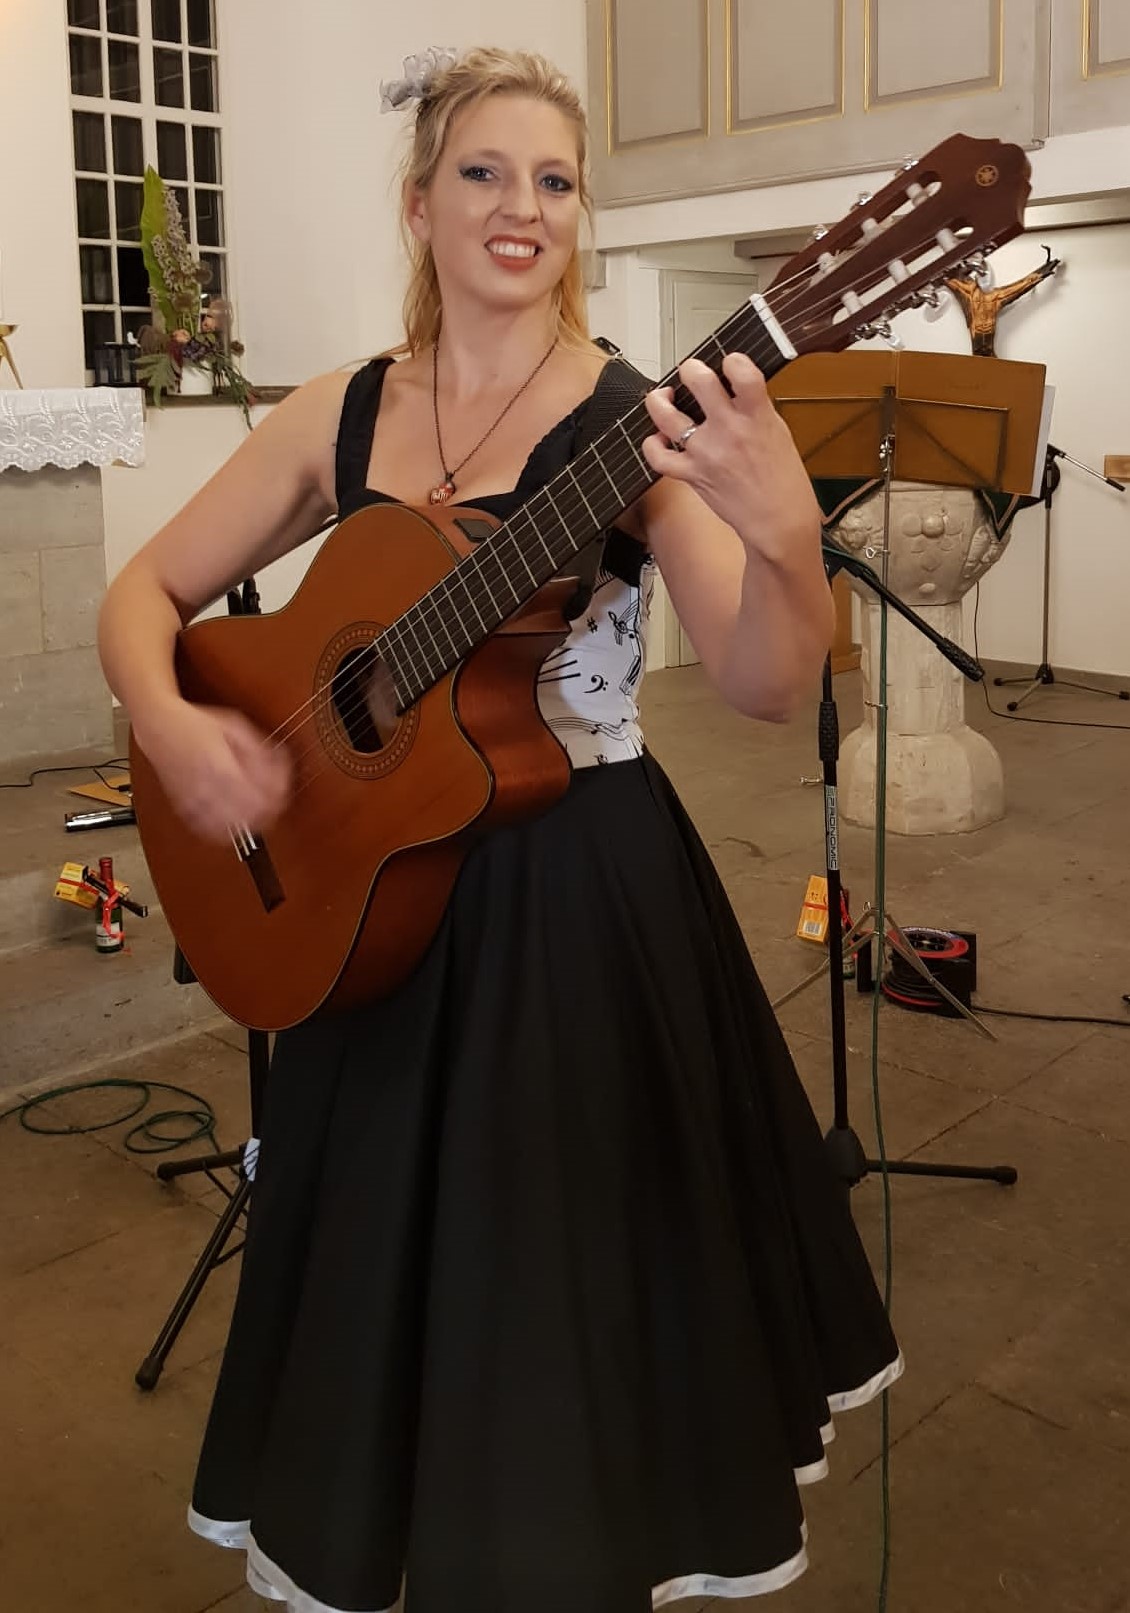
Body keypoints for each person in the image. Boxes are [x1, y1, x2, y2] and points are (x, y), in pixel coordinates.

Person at [98, 45, 901, 1613]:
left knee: (556, 1288)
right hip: (358, 905)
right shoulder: (341, 411)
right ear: (420, 206)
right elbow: (144, 592)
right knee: (384, 1280)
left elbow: (760, 682)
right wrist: (176, 728)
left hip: (569, 899)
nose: (519, 204)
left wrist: (787, 539)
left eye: (552, 179)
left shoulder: (630, 421)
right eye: (482, 172)